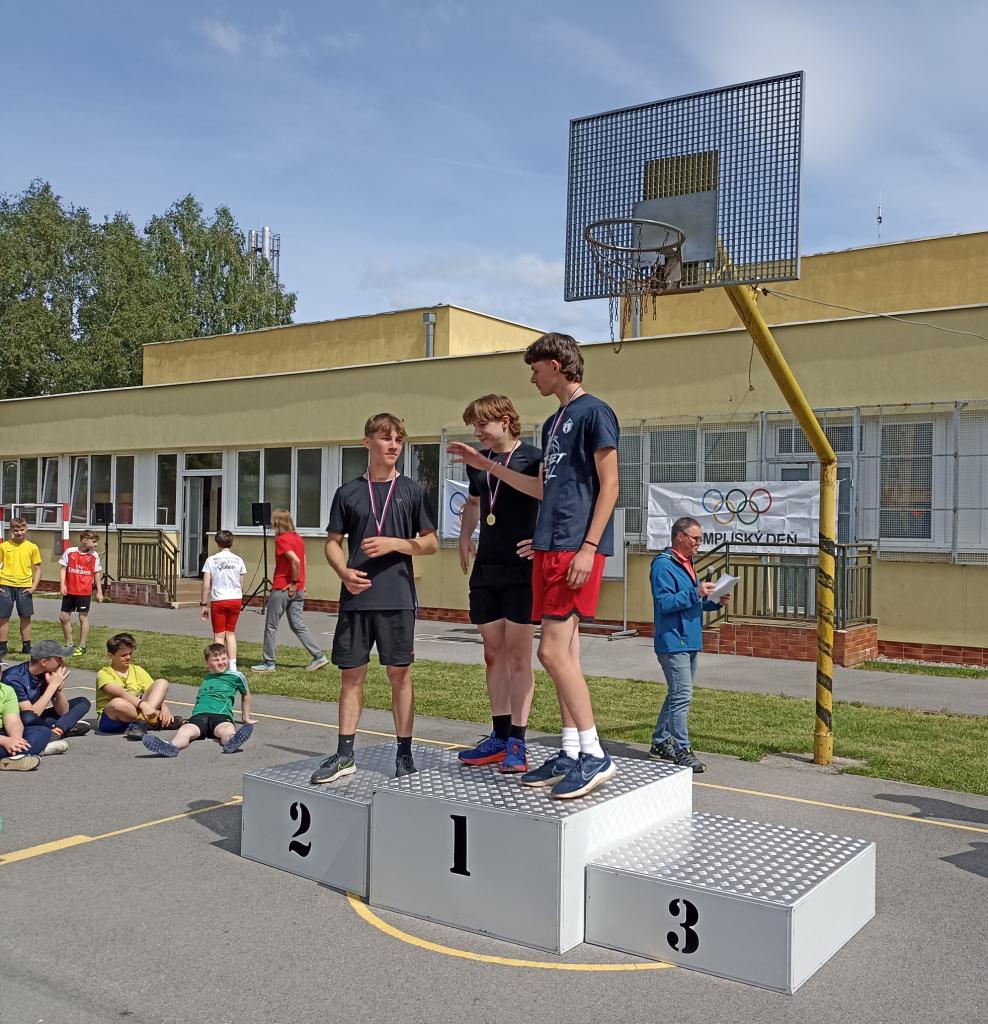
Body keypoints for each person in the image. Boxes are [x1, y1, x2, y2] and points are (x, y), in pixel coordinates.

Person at [450, 333, 620, 799]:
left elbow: (610, 484)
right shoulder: (553, 422)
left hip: (573, 546)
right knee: (567, 655)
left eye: (536, 368)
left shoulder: (595, 412)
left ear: (557, 365)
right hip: (548, 545)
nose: (532, 377)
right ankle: (570, 749)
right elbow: (546, 490)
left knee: (550, 654)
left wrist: (589, 546)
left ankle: (594, 754)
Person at [310, 412, 438, 784]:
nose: (394, 445)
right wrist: (343, 572)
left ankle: (404, 754)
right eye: (386, 438)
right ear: (367, 442)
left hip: (397, 597)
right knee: (352, 676)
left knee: (400, 674)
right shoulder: (347, 493)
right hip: (357, 597)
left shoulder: (412, 491)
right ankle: (345, 755)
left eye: (399, 439)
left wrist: (395, 543)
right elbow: (332, 543)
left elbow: (430, 542)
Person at [453, 395, 541, 774]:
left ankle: (518, 742)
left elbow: (544, 494)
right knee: (493, 654)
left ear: (505, 421)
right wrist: (464, 536)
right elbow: (475, 503)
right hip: (487, 568)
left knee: (519, 656)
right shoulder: (479, 463)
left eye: (482, 425)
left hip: (522, 568)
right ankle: (500, 736)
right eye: (473, 426)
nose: (477, 432)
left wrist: (543, 540)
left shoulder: (533, 458)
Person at [648, 516, 729, 773]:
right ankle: (682, 749)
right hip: (673, 641)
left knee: (677, 693)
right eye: (695, 538)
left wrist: (714, 601)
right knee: (682, 695)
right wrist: (697, 592)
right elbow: (665, 603)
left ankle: (660, 741)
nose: (698, 543)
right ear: (680, 536)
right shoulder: (663, 565)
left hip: (688, 639)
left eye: (699, 539)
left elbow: (691, 603)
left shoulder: (686, 563)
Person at [143, 643, 255, 757]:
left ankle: (231, 741)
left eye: (224, 658)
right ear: (207, 663)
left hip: (220, 715)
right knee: (185, 730)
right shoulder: (207, 678)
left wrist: (246, 717)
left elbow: (246, 695)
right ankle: (172, 746)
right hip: (199, 716)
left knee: (227, 729)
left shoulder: (235, 676)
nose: (221, 662)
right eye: (216, 660)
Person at [251, 509, 328, 673]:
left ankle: (268, 662)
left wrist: (293, 583)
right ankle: (319, 656)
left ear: (277, 522)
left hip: (283, 587)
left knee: (271, 625)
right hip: (298, 588)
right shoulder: (298, 538)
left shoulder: (282, 539)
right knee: (297, 625)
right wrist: (301, 583)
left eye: (272, 520)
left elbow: (296, 561)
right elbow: (304, 562)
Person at [0, 639, 92, 756]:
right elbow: (31, 714)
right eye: (58, 659)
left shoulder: (47, 674)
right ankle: (62, 728)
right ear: (44, 662)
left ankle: (57, 731)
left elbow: (63, 712)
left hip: (38, 718)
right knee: (29, 717)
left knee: (83, 702)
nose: (62, 662)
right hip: (21, 720)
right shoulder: (14, 678)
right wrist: (52, 687)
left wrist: (58, 690)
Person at [95, 632, 180, 739]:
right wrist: (144, 706)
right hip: (112, 719)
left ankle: (141, 723)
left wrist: (165, 709)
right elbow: (122, 694)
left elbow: (155, 693)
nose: (128, 657)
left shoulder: (137, 670)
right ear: (110, 655)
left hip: (138, 710)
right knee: (117, 703)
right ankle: (155, 721)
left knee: (162, 682)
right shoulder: (104, 673)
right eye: (123, 655)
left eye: (130, 653)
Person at [200, 530, 247, 672]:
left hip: (219, 599)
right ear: (232, 543)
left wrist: (204, 604)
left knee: (219, 635)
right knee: (230, 633)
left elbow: (206, 584)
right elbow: (241, 583)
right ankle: (233, 666)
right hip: (235, 599)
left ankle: (219, 665)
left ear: (217, 543)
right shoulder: (239, 560)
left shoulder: (211, 560)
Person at [0, 517, 43, 658]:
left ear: (26, 529)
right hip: (5, 585)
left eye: (22, 529)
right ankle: (2, 646)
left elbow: (38, 568)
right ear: (11, 530)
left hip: (24, 587)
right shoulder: (4, 546)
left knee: (25, 617)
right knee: (3, 617)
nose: (19, 532)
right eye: (16, 530)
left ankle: (26, 646)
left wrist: (33, 587)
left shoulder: (32, 547)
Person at [58, 529, 105, 655]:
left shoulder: (94, 555)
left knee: (83, 617)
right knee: (63, 617)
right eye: (93, 542)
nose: (96, 544)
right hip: (70, 591)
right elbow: (63, 569)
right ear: (84, 541)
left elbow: (97, 573)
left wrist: (99, 591)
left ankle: (82, 645)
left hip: (84, 592)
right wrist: (62, 585)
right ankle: (69, 643)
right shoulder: (70, 552)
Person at [0, 678, 41, 771]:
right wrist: (5, 741)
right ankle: (25, 753)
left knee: (42, 731)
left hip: (3, 732)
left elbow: (13, 721)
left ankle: (12, 759)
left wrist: (16, 740)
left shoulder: (6, 690)